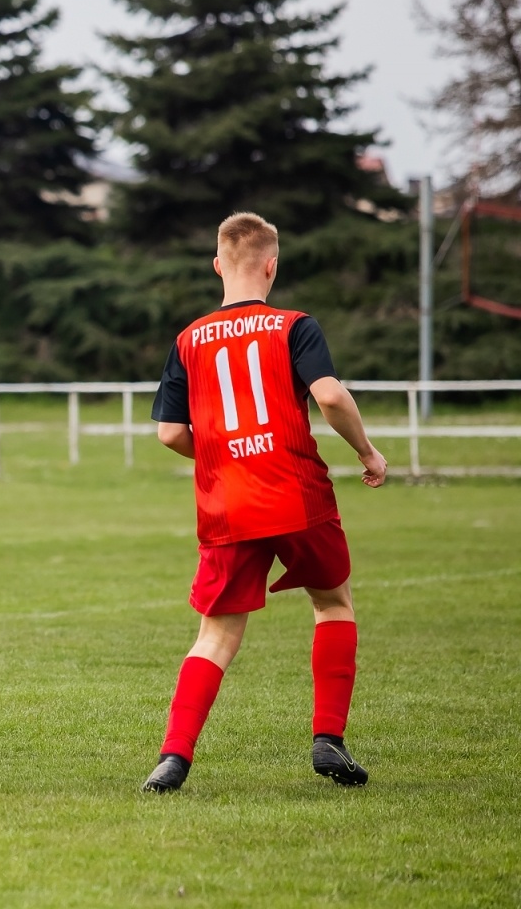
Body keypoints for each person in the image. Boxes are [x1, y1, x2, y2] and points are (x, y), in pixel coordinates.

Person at [141, 212, 387, 792]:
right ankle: (328, 740)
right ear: (272, 265)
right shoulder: (294, 325)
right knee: (332, 604)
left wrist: (227, 457)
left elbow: (171, 434)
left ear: (217, 265)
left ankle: (174, 756)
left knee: (216, 634)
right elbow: (328, 395)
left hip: (227, 503)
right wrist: (368, 452)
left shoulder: (188, 338)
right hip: (296, 493)